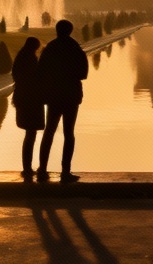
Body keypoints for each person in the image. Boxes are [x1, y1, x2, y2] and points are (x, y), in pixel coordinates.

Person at [34, 19, 89, 183]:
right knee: (69, 133)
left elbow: (40, 71)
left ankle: (42, 169)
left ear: (57, 30)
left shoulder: (50, 48)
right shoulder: (76, 48)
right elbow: (83, 74)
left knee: (49, 131)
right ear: (70, 31)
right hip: (71, 95)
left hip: (54, 94)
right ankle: (65, 171)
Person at [10, 36, 43, 180]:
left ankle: (27, 167)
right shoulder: (29, 59)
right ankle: (27, 168)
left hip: (23, 98)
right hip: (30, 99)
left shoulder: (22, 56)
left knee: (30, 134)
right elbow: (34, 78)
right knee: (31, 134)